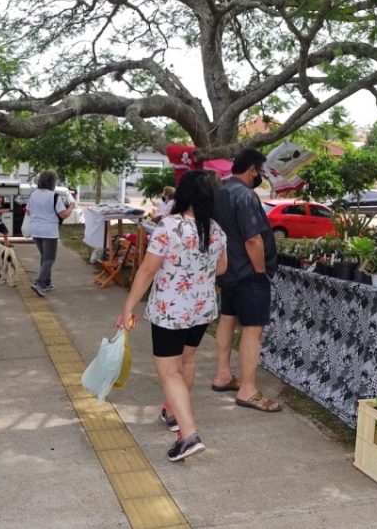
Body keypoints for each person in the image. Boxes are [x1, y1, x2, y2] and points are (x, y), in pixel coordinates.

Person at [117, 170, 227, 462]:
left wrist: (129, 306)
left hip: (171, 311)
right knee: (186, 361)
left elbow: (148, 270)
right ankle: (172, 413)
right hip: (201, 310)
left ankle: (189, 434)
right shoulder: (216, 229)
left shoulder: (169, 226)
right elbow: (222, 269)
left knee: (168, 371)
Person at [211, 148, 281, 412]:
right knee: (253, 330)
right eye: (259, 170)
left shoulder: (220, 192)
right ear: (252, 169)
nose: (260, 175)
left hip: (227, 270)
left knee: (227, 320)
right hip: (249, 273)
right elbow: (253, 239)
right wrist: (260, 272)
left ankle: (223, 375)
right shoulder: (245, 195)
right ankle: (248, 389)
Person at [26, 171, 75, 296]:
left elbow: (28, 211)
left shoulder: (33, 194)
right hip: (49, 231)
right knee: (50, 258)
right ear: (53, 182)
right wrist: (71, 206)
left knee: (44, 256)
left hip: (35, 230)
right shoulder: (54, 196)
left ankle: (47, 282)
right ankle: (40, 283)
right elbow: (63, 214)